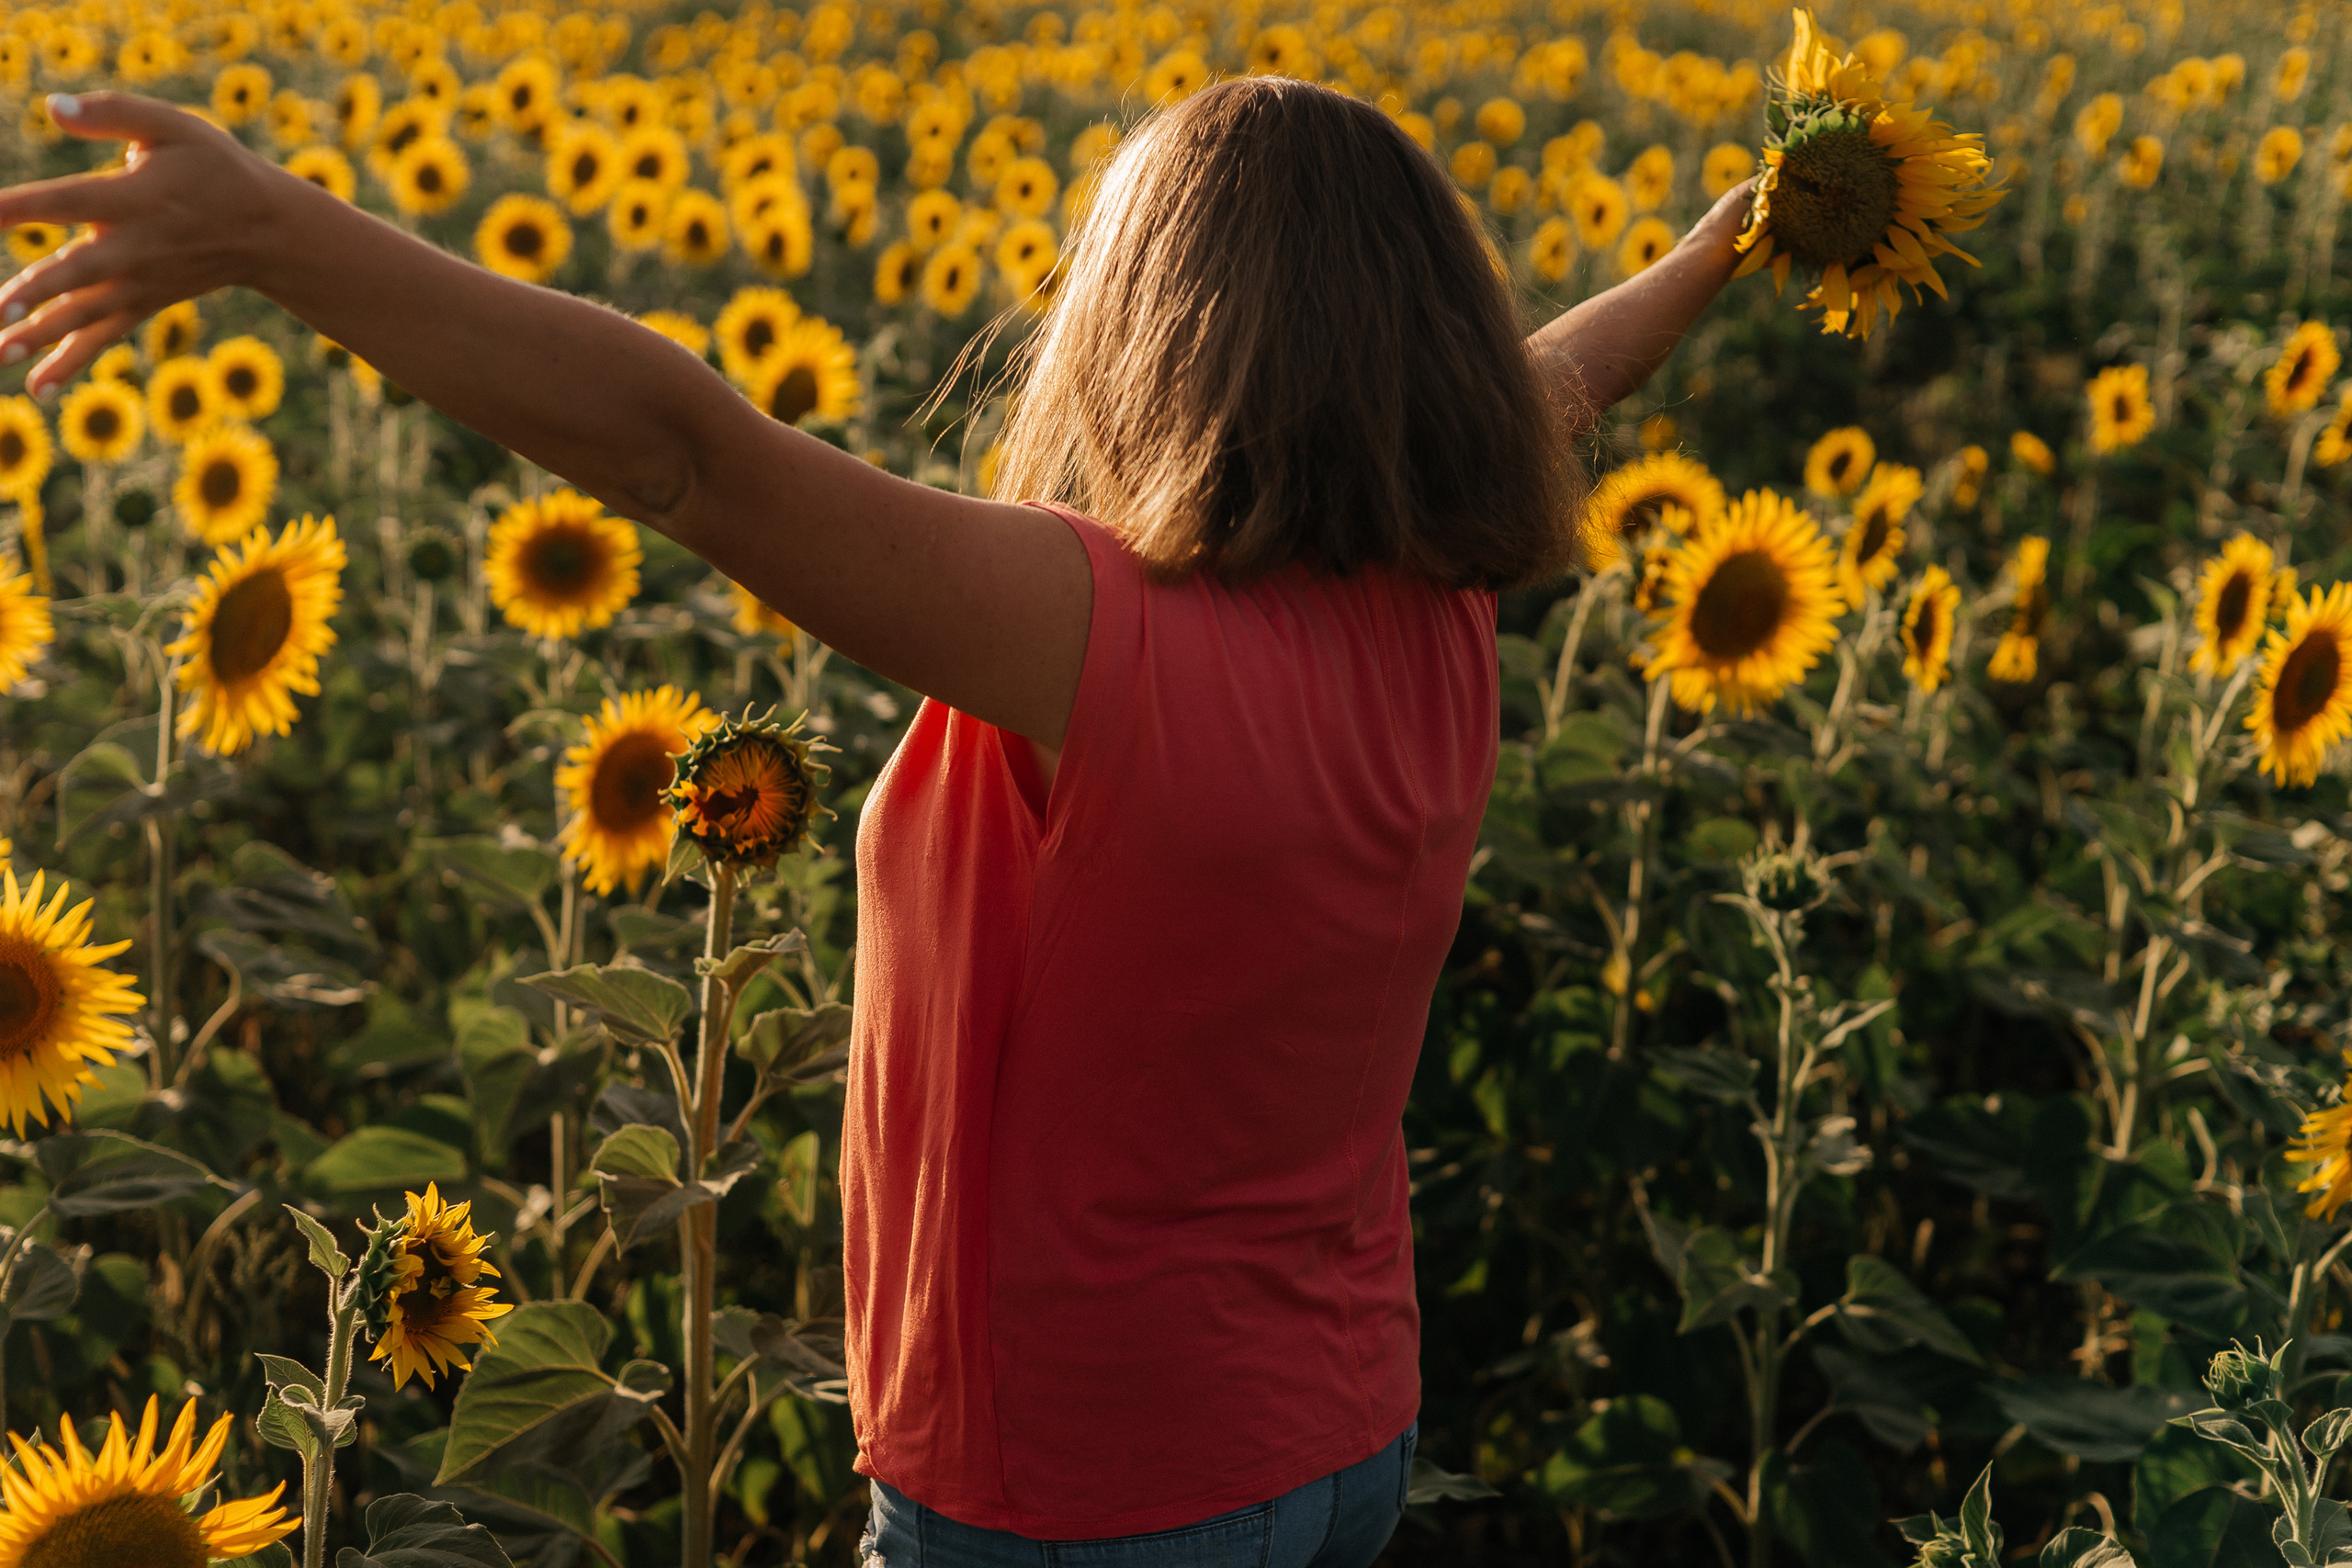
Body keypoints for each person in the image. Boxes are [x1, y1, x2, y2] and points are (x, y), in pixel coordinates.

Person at [0, 75, 1753, 1568]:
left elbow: (686, 455)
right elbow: (1564, 380)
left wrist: (273, 235)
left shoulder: (1096, 639)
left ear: (1152, 330)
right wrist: (1712, 255)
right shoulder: (1446, 608)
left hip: (1079, 1487)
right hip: (1342, 1433)